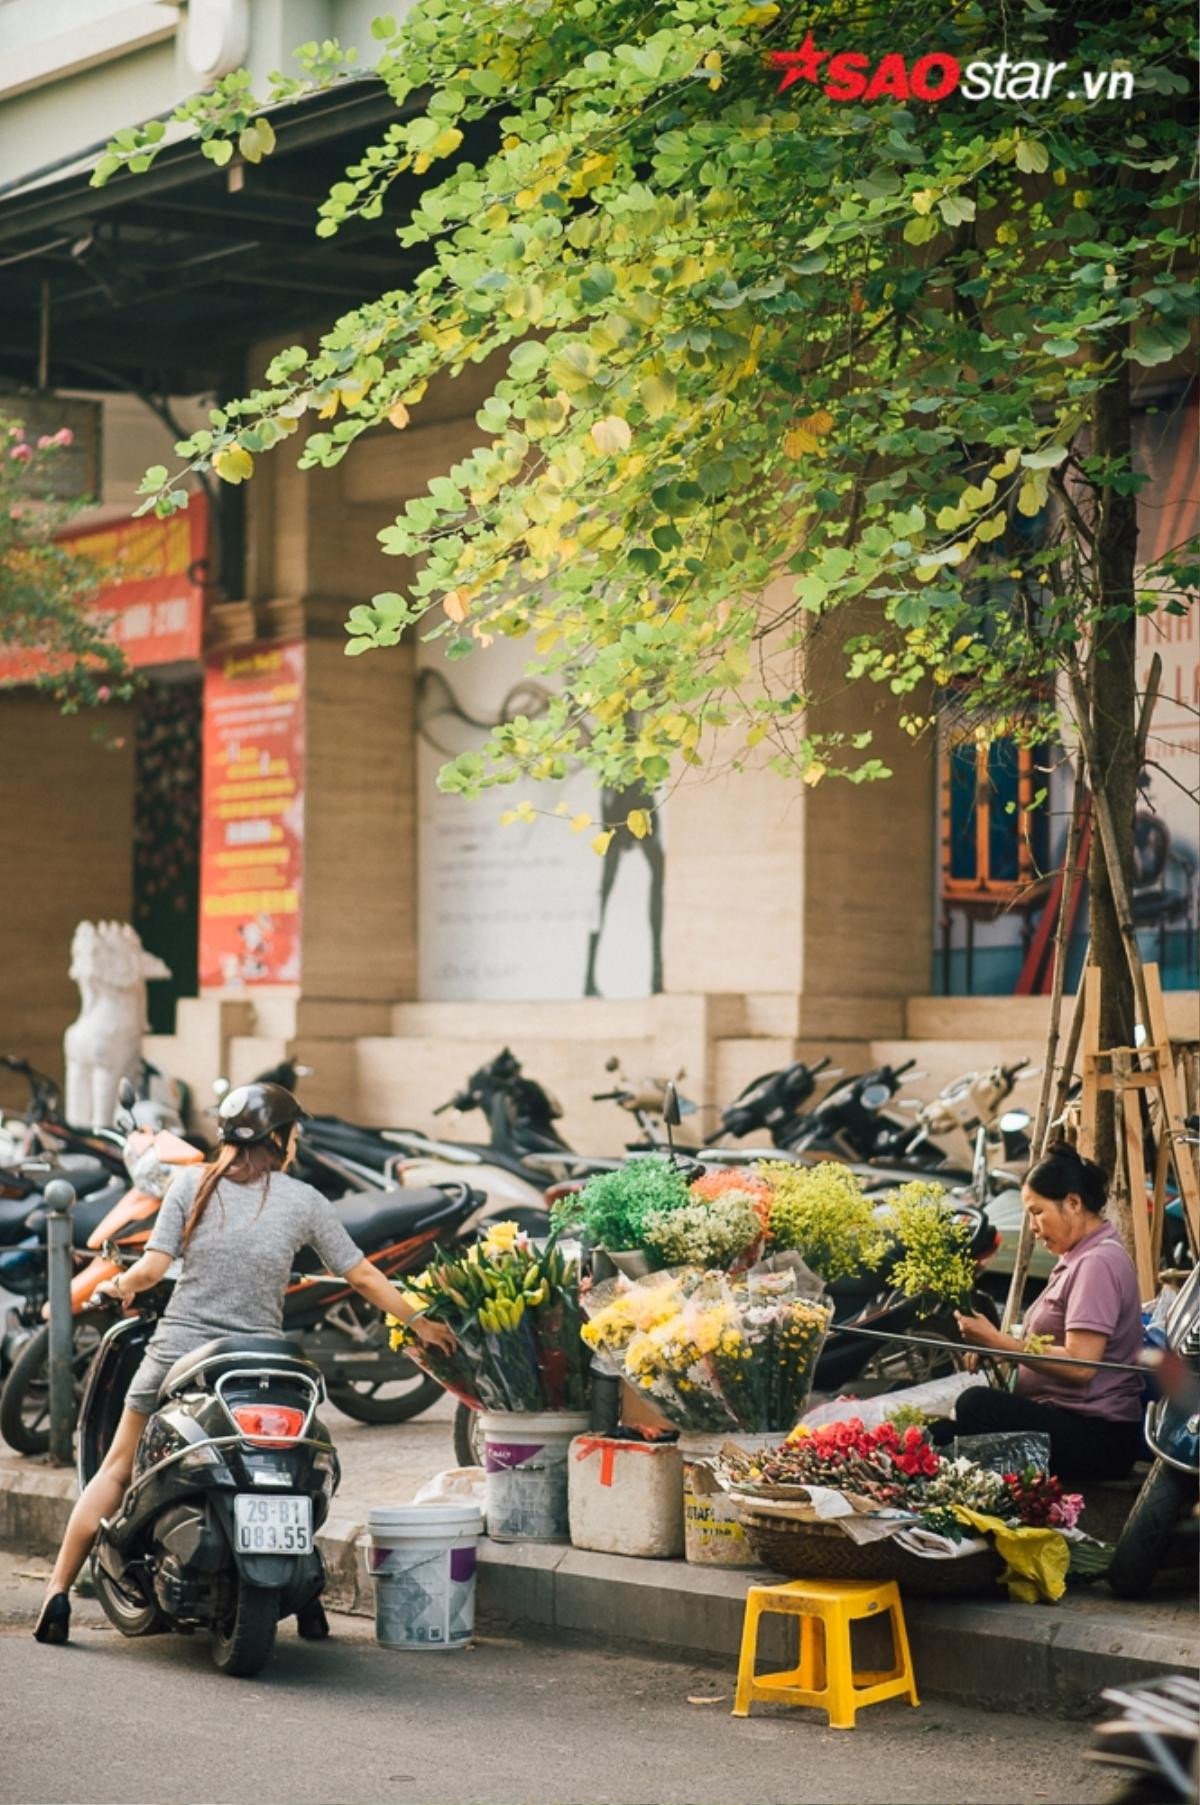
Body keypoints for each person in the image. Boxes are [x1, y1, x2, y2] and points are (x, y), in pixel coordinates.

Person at [33, 1081, 455, 1646]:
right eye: (293, 1133)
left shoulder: (190, 1184)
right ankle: (307, 1602)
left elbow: (152, 1270)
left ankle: (57, 1594)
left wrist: (114, 1285)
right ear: (278, 1139)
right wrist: (423, 1323)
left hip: (179, 1352)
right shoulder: (302, 1199)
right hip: (261, 1362)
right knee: (290, 1461)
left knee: (115, 1467)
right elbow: (362, 1275)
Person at [933, 1141, 1146, 1481]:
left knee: (975, 1405)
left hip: (1098, 1437)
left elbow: (1081, 1365)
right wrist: (998, 1349)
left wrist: (998, 1342)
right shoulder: (1078, 1257)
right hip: (1067, 1420)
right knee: (940, 1435)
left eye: (1037, 1212)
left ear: (1073, 1203)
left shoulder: (1097, 1263)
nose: (1032, 1227)